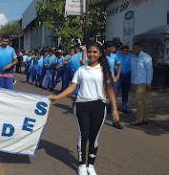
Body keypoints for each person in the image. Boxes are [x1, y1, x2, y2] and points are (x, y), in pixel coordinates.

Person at [49, 42, 120, 175]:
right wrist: (57, 97)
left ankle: (91, 166)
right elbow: (72, 87)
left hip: (99, 106)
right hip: (82, 106)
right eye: (90, 52)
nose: (92, 54)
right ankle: (82, 165)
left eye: (95, 52)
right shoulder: (81, 70)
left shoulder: (105, 70)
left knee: (94, 137)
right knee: (83, 135)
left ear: (100, 54)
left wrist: (115, 109)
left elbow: (110, 90)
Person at [130, 42, 153, 126]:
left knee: (139, 101)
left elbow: (150, 71)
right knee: (143, 100)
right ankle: (145, 118)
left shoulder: (146, 57)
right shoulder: (132, 57)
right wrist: (132, 82)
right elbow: (133, 71)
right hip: (135, 82)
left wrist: (148, 83)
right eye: (133, 48)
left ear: (140, 48)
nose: (134, 50)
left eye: (136, 48)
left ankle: (138, 120)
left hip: (142, 82)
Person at [116, 46, 132, 113]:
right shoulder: (117, 55)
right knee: (115, 92)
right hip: (119, 76)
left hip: (128, 76)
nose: (125, 52)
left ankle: (124, 107)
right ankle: (112, 107)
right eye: (124, 51)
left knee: (125, 92)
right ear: (121, 50)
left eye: (127, 51)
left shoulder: (131, 56)